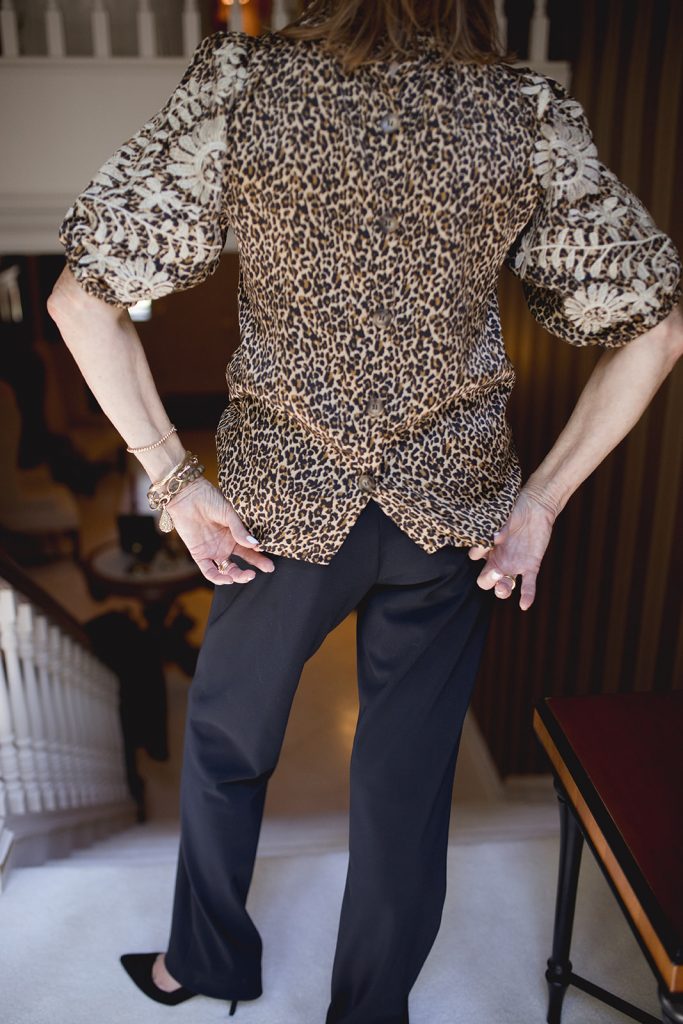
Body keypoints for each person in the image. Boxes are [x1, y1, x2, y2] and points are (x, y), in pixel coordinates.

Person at [47, 1, 683, 1021]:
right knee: (405, 785)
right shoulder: (520, 110)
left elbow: (81, 300)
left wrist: (174, 482)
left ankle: (200, 965)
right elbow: (654, 329)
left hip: (280, 509)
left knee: (224, 741)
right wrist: (540, 506)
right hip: (454, 510)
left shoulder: (245, 86)